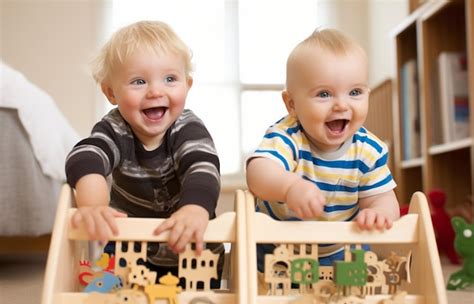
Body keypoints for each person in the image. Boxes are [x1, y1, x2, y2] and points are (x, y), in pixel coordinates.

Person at [65, 20, 223, 286]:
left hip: (189, 250)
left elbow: (203, 167)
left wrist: (195, 209)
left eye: (170, 79)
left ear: (188, 84)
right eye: (139, 81)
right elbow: (86, 155)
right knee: (118, 299)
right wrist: (93, 206)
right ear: (111, 92)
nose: (155, 91)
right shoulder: (115, 128)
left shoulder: (187, 127)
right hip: (129, 251)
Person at [246, 28, 400, 273]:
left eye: (355, 92)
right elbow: (258, 173)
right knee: (274, 299)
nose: (342, 104)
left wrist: (379, 212)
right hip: (277, 247)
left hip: (342, 248)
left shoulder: (369, 150)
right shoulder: (287, 137)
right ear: (292, 105)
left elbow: (382, 197)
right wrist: (290, 188)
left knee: (352, 299)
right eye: (324, 94)